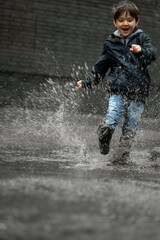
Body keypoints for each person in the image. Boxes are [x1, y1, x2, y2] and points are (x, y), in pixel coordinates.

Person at [77, 1, 156, 164]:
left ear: (136, 22)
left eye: (129, 20)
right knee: (112, 115)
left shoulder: (142, 38)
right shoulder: (111, 44)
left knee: (131, 126)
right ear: (115, 22)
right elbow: (101, 66)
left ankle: (122, 156)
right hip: (117, 90)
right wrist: (87, 83)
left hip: (138, 92)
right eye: (121, 20)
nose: (125, 23)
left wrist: (141, 51)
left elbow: (152, 55)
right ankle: (105, 131)